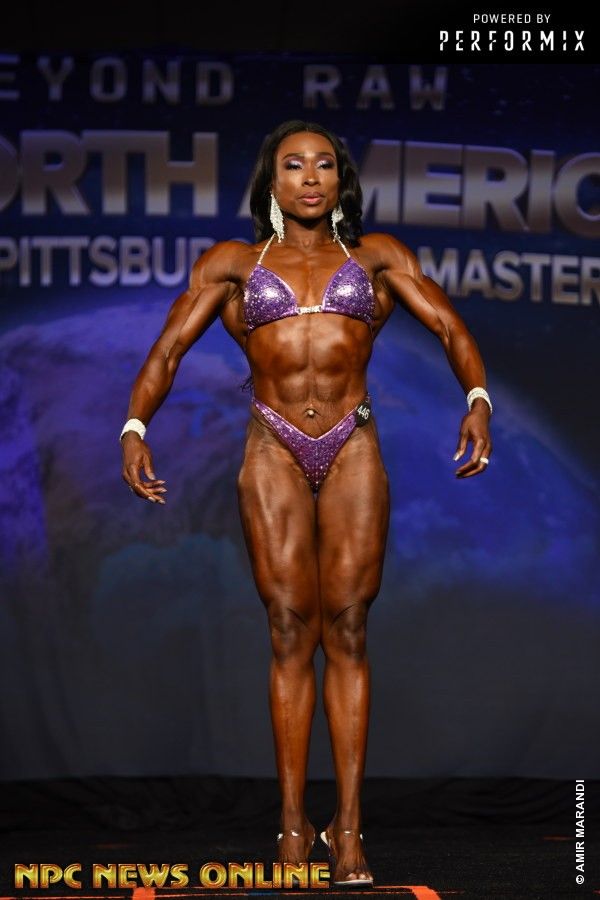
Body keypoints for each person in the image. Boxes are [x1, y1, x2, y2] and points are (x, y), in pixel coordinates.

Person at [119, 119, 493, 887]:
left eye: (324, 164)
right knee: (291, 629)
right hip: (273, 444)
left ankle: (348, 829)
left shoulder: (375, 256)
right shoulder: (234, 263)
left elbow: (449, 325)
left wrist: (478, 399)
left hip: (352, 441)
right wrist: (134, 426)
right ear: (272, 181)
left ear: (340, 181)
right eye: (294, 165)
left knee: (347, 628)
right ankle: (292, 826)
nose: (311, 177)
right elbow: (169, 348)